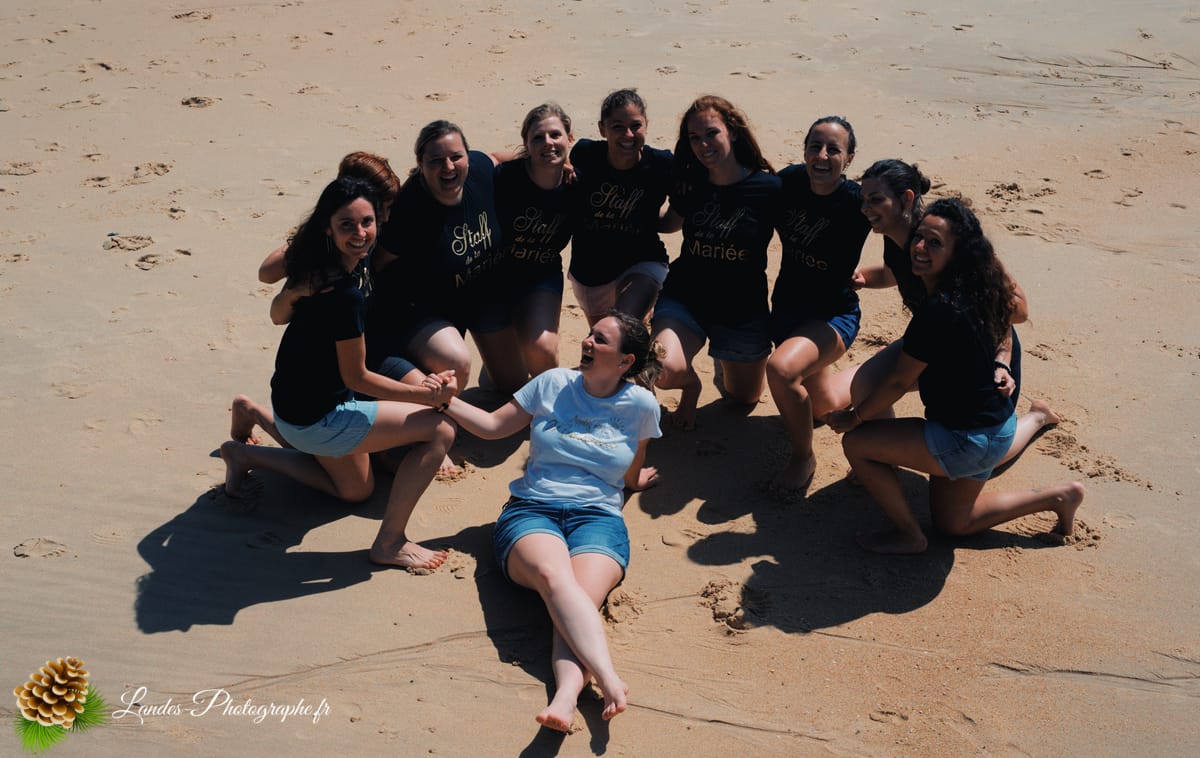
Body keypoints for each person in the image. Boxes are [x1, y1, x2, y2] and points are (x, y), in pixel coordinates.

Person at [431, 311, 662, 731]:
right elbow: (492, 426)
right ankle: (610, 679)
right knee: (558, 582)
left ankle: (565, 697)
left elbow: (634, 457)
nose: (587, 342)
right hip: (533, 509)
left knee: (579, 602)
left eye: (601, 340)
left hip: (599, 516)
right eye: (590, 335)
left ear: (626, 361)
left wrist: (634, 482)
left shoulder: (642, 405)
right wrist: (446, 400)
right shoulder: (553, 383)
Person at [221, 177, 456, 570]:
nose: (360, 233)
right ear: (327, 227)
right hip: (318, 414)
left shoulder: (324, 264)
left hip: (294, 402)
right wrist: (425, 396)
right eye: (347, 225)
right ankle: (390, 543)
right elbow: (357, 379)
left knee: (357, 490)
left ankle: (246, 447)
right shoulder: (341, 291)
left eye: (367, 222)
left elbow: (281, 316)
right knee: (441, 430)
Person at [827, 199, 1084, 554]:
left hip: (966, 442)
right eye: (919, 237)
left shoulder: (938, 312)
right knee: (954, 524)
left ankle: (908, 534)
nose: (919, 247)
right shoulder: (986, 290)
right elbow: (1016, 315)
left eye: (935, 243)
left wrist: (854, 417)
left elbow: (898, 382)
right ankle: (1056, 484)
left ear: (958, 253)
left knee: (857, 443)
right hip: (997, 424)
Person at [836, 159, 1059, 468]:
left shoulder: (946, 239)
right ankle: (881, 458)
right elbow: (893, 273)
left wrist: (1003, 359)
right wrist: (864, 278)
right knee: (866, 383)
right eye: (863, 199)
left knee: (977, 448)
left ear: (906, 199)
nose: (864, 208)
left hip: (983, 354)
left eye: (875, 200)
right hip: (937, 337)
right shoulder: (897, 240)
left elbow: (1015, 310)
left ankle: (1035, 418)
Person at [368, 120, 528, 396]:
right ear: (420, 163)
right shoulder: (408, 208)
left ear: (468, 155)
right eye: (436, 160)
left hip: (481, 295)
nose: (449, 167)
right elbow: (377, 264)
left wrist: (552, 162)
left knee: (513, 386)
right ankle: (438, 417)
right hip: (426, 309)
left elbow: (498, 158)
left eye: (456, 157)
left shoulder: (479, 169)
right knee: (455, 362)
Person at [652, 95, 780, 429]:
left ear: (733, 132)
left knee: (743, 399)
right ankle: (691, 387)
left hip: (741, 309)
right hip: (686, 298)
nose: (703, 144)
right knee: (662, 370)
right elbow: (668, 224)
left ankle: (726, 359)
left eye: (711, 133)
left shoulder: (768, 189)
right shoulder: (692, 182)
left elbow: (800, 231)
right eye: (694, 138)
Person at [766, 116, 871, 491]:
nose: (822, 156)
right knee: (823, 407)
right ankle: (873, 374)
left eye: (834, 149)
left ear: (850, 158)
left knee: (780, 370)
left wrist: (869, 277)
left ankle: (802, 457)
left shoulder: (859, 200)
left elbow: (904, 242)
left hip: (833, 316)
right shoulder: (788, 182)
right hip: (788, 312)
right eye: (815, 146)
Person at [566, 89, 674, 324]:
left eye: (636, 125)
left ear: (646, 125)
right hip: (590, 271)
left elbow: (675, 216)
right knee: (606, 341)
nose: (628, 134)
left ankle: (642, 311)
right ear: (602, 129)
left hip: (643, 260)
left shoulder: (662, 164)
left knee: (621, 325)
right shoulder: (585, 155)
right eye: (617, 126)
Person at [494, 103, 576, 377]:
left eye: (555, 135)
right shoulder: (506, 177)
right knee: (507, 380)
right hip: (496, 276)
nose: (548, 143)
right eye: (538, 138)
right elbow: (489, 158)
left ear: (569, 138)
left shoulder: (577, 184)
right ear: (526, 145)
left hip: (542, 275)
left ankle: (551, 406)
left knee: (540, 349)